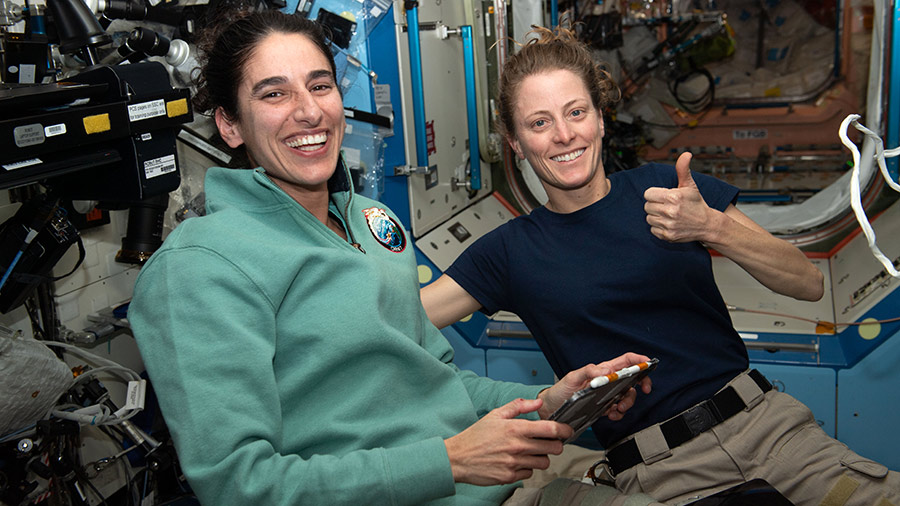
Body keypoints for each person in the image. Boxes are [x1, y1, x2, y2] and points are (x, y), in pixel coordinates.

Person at [127, 10, 665, 506]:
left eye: (320, 85)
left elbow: (438, 380)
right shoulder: (200, 268)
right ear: (229, 125)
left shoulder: (371, 222)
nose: (309, 110)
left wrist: (547, 401)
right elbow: (240, 485)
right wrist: (448, 461)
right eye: (274, 94)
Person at [420, 26, 900, 506]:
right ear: (515, 142)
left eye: (576, 113)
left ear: (601, 120)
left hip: (773, 431)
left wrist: (711, 226)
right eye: (539, 123)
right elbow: (399, 324)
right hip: (661, 473)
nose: (564, 135)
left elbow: (807, 282)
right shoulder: (508, 252)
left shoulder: (671, 188)